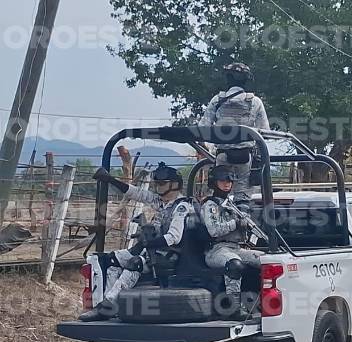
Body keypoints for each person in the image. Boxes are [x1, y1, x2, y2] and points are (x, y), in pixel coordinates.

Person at [79, 163, 194, 321]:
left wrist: (149, 243)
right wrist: (110, 179)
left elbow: (174, 237)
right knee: (110, 260)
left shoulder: (182, 206)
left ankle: (108, 306)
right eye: (156, 184)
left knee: (135, 263)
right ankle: (107, 305)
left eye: (161, 183)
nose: (157, 187)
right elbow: (136, 193)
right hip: (150, 251)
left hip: (171, 255)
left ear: (174, 185)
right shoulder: (160, 201)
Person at [200, 63, 270, 200]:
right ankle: (241, 218)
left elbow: (203, 128)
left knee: (221, 195)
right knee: (243, 196)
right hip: (245, 157)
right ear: (246, 80)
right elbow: (265, 132)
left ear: (228, 79)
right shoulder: (255, 101)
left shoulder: (217, 100)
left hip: (222, 155)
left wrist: (207, 149)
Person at [201, 165, 262, 320]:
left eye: (230, 180)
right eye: (223, 180)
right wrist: (235, 223)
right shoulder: (211, 205)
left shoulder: (232, 204)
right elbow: (213, 230)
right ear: (214, 182)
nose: (227, 183)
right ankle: (233, 307)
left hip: (236, 247)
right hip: (216, 250)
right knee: (234, 264)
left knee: (266, 260)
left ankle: (259, 302)